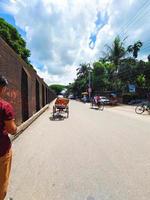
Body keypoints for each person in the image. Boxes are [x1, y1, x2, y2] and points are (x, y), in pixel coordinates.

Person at [0, 75, 17, 200]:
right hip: (2, 151)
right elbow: (12, 129)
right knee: (1, 182)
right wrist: (14, 126)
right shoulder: (4, 106)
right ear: (2, 88)